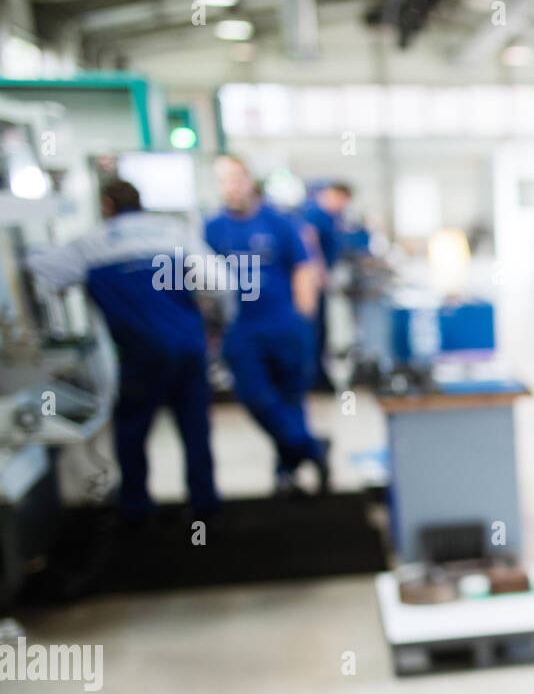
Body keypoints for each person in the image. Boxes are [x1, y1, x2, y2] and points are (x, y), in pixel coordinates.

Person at [26, 178, 221, 521]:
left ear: (106, 205)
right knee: (195, 428)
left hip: (140, 354)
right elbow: (220, 282)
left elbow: (42, 271)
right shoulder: (173, 232)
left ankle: (136, 508)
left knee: (132, 429)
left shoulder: (92, 243)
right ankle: (204, 507)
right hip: (189, 349)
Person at [205, 155, 329, 496]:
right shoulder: (211, 229)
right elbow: (200, 281)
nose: (231, 186)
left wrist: (304, 319)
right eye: (223, 180)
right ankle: (311, 448)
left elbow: (303, 269)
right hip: (240, 332)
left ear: (248, 179)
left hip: (283, 326)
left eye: (235, 178)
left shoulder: (279, 222)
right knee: (256, 398)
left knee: (291, 400)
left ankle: (287, 472)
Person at [299, 181, 353, 391]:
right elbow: (308, 240)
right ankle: (312, 377)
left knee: (322, 328)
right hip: (312, 281)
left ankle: (318, 374)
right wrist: (320, 273)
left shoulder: (330, 216)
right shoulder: (314, 213)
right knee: (314, 329)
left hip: (318, 278)